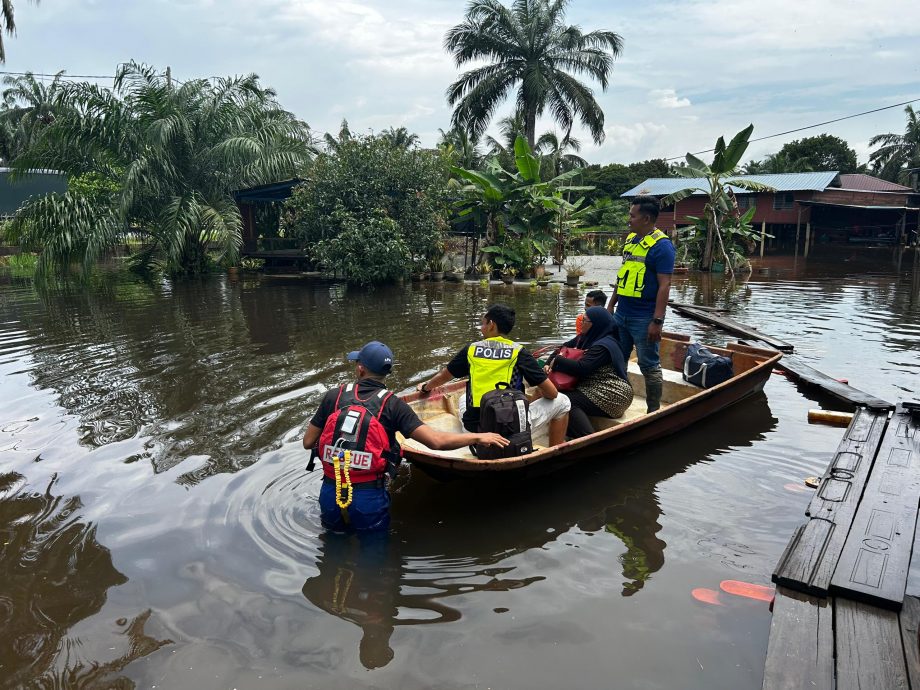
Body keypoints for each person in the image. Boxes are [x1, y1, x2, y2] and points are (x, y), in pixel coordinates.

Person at [302, 341, 508, 532]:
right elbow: (436, 441)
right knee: (374, 556)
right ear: (387, 372)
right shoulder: (393, 405)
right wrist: (478, 437)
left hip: (330, 490)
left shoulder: (334, 396)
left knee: (332, 544)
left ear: (360, 368)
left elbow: (308, 442)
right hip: (368, 497)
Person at [416, 303, 570, 447]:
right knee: (563, 401)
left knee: (464, 397)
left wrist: (425, 387)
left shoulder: (471, 349)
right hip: (509, 431)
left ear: (492, 325)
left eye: (483, 323)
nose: (481, 328)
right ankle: (555, 448)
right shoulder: (519, 352)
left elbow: (444, 376)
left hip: (473, 431)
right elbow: (552, 393)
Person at [606, 195, 675, 412]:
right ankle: (620, 403)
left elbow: (665, 285)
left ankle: (652, 411)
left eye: (632, 215)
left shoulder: (662, 247)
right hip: (622, 314)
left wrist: (657, 321)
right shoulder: (631, 240)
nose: (629, 219)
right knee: (618, 361)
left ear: (646, 218)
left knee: (648, 365)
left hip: (644, 317)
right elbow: (622, 276)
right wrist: (611, 305)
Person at [546, 306, 633, 438]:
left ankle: (586, 436)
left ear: (596, 324)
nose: (581, 323)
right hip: (593, 387)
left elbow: (582, 368)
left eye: (584, 321)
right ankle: (570, 432)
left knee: (564, 400)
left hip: (614, 392)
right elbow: (562, 348)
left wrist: (557, 361)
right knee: (554, 392)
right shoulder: (584, 337)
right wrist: (548, 363)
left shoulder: (604, 346)